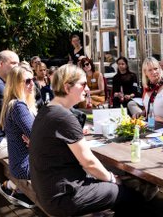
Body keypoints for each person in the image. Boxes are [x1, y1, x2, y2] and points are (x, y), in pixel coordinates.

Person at [29, 64, 146, 216]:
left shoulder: (47, 110)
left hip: (49, 190)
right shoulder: (63, 117)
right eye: (83, 84)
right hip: (63, 197)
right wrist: (111, 179)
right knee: (130, 196)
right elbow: (88, 162)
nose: (88, 89)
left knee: (114, 183)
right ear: (67, 87)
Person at [0, 65, 37, 209]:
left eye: (33, 79)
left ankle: (14, 188)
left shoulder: (16, 103)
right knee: (70, 162)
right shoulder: (18, 106)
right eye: (27, 81)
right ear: (16, 84)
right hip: (24, 166)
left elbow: (37, 136)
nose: (32, 84)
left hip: (21, 162)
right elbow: (38, 136)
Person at [128, 57, 163, 126]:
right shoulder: (147, 88)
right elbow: (151, 108)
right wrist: (142, 113)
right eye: (150, 70)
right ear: (145, 72)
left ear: (160, 69)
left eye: (156, 69)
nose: (154, 72)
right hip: (151, 128)